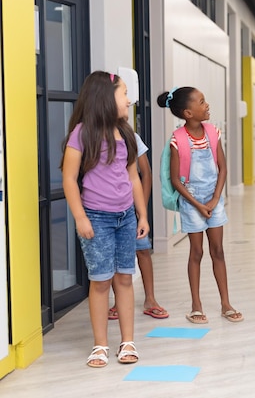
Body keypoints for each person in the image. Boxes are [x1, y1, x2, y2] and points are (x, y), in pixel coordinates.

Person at [61, 71, 148, 368]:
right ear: (106, 98)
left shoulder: (125, 133)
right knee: (100, 281)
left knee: (124, 278)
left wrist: (142, 214)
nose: (128, 99)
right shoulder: (82, 134)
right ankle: (100, 345)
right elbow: (70, 179)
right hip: (96, 218)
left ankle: (127, 342)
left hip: (125, 218)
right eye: (124, 93)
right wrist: (80, 217)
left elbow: (132, 177)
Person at [157, 86, 243, 324]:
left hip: (213, 199)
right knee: (197, 252)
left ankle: (226, 303)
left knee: (218, 251)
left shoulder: (213, 132)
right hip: (190, 200)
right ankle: (196, 305)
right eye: (202, 102)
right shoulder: (177, 140)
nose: (207, 105)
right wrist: (197, 204)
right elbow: (175, 179)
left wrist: (215, 199)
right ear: (188, 113)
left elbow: (223, 167)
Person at [108, 133, 169, 321]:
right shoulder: (95, 135)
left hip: (132, 207)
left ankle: (150, 299)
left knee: (142, 251)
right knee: (113, 255)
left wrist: (141, 208)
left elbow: (146, 173)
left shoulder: (131, 137)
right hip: (108, 209)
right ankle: (119, 301)